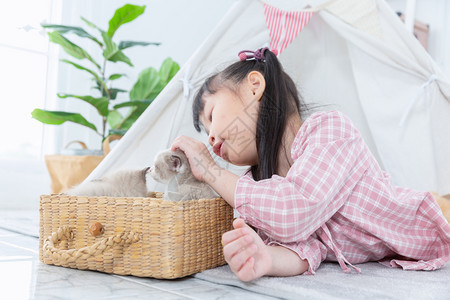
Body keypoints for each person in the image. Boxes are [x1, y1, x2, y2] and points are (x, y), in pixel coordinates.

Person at [171, 47, 450, 282]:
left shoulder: (330, 131)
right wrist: (265, 258)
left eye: (211, 114)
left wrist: (209, 169)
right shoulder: (259, 186)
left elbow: (295, 211)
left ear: (254, 87)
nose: (209, 137)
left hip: (424, 225)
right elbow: (307, 247)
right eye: (204, 130)